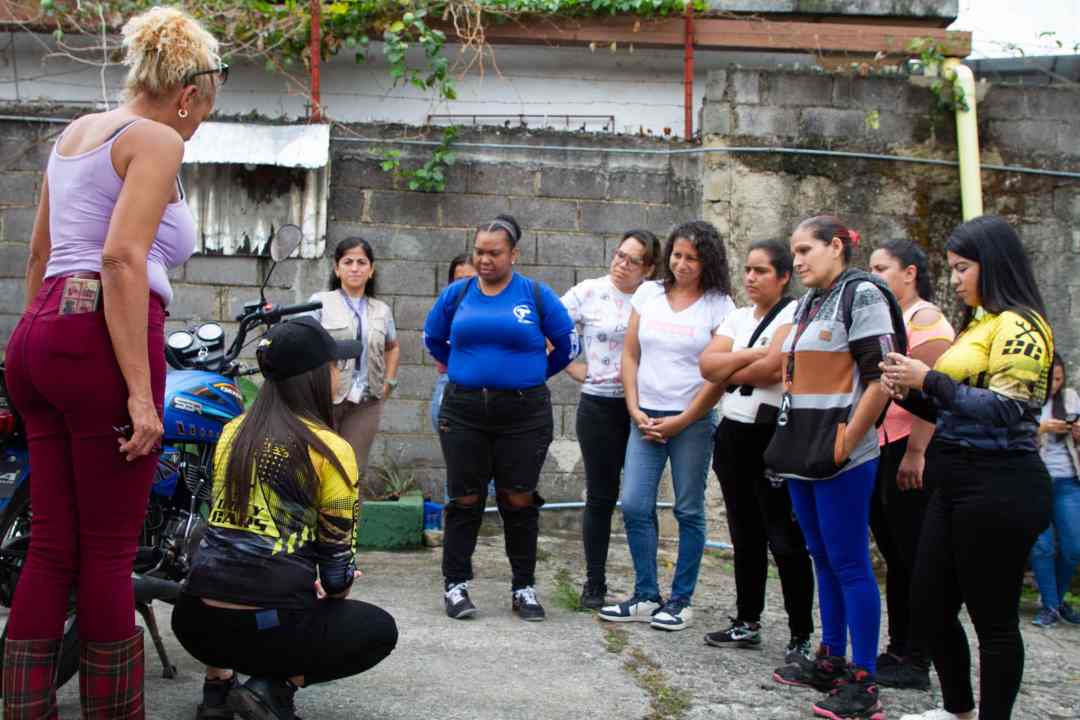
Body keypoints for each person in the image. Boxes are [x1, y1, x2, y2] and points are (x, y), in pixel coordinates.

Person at [2, 7, 219, 716]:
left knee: (52, 548)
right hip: (105, 334)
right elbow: (122, 256)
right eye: (201, 114)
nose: (194, 130)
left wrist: (49, 340)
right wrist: (138, 395)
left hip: (39, 334)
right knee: (106, 552)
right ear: (188, 93)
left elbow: (40, 256)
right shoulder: (156, 139)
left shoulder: (76, 133)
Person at [172, 317, 398, 720]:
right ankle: (273, 689)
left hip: (194, 622)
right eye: (334, 365)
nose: (339, 373)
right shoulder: (329, 449)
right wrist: (333, 584)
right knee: (378, 629)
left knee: (234, 572)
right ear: (313, 375)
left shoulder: (232, 432)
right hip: (265, 627)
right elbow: (335, 576)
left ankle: (218, 688)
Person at [882, 215, 1053, 720]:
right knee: (930, 604)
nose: (954, 279)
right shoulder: (980, 322)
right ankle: (957, 709)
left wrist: (928, 380)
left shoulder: (1021, 326)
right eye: (952, 269)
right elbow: (953, 407)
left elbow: (1009, 410)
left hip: (1000, 485)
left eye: (962, 268)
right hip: (955, 481)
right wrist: (907, 393)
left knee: (993, 619)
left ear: (993, 265)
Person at [764, 216, 904, 720]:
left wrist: (846, 444)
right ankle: (832, 657)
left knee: (849, 563)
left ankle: (863, 681)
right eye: (794, 250)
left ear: (838, 247)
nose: (797, 259)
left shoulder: (862, 294)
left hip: (839, 456)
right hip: (805, 451)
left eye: (806, 249)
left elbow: (882, 377)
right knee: (822, 557)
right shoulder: (809, 302)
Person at [424, 214, 576, 621]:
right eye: (479, 252)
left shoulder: (536, 296)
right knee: (465, 497)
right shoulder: (457, 295)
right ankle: (456, 586)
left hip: (524, 414)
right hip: (463, 410)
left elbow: (566, 346)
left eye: (494, 252)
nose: (485, 259)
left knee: (518, 497)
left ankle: (523, 588)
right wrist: (467, 371)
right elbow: (433, 339)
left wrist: (529, 375)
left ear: (514, 254)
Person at [598, 220, 735, 631]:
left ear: (707, 260)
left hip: (691, 422)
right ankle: (645, 594)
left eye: (692, 258)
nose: (683, 264)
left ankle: (680, 600)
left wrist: (684, 419)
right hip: (644, 416)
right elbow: (631, 355)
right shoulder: (649, 292)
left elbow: (719, 376)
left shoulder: (719, 305)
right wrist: (635, 407)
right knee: (636, 504)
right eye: (677, 255)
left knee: (688, 508)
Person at [698, 239, 815, 662]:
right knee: (743, 534)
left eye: (761, 271)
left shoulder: (793, 312)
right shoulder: (737, 316)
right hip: (733, 432)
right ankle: (747, 620)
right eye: (747, 269)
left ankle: (801, 633)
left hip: (771, 435)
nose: (751, 278)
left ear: (783, 277)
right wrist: (748, 358)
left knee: (783, 539)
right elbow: (707, 365)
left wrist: (733, 365)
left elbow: (774, 368)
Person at [867, 239, 955, 690]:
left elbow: (934, 395)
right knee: (898, 557)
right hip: (885, 443)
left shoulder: (929, 323)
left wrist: (917, 451)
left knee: (917, 558)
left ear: (910, 273)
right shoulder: (894, 319)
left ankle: (918, 657)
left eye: (881, 267)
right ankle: (900, 646)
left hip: (910, 447)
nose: (873, 274)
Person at [561, 230, 661, 609]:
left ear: (649, 268)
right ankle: (595, 583)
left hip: (645, 407)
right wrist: (573, 367)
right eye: (619, 255)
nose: (621, 264)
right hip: (599, 406)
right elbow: (549, 326)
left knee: (640, 500)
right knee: (601, 497)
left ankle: (646, 589)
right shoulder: (589, 291)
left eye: (632, 260)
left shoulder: (656, 297)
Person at [309, 237, 400, 473]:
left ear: (371, 270)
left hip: (366, 402)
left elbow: (392, 347)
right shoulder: (319, 303)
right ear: (336, 268)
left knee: (352, 470)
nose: (355, 268)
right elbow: (303, 345)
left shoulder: (382, 310)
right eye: (348, 262)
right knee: (318, 467)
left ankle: (348, 511)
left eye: (362, 262)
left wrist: (388, 382)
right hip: (325, 400)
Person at [1030, 353, 1080, 628]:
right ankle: (1050, 606)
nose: (1055, 385)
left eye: (1059, 380)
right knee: (1042, 546)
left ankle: (1056, 601)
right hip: (1035, 481)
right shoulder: (1026, 397)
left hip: (1068, 481)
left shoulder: (1071, 398)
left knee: (1074, 547)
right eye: (1051, 379)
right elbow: (1016, 433)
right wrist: (1042, 428)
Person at [431, 254, 477, 434]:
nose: (465, 286)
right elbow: (433, 342)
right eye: (459, 280)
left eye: (471, 280)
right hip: (452, 380)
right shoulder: (445, 311)